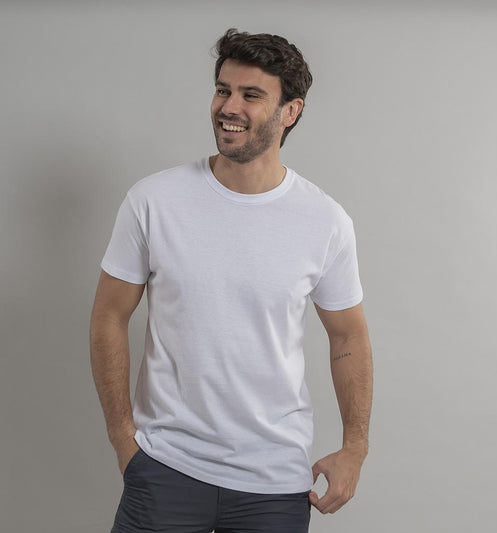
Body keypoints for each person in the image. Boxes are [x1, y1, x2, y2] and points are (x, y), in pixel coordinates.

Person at [90, 28, 373, 533]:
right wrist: (123, 439)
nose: (229, 107)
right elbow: (109, 315)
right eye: (223, 90)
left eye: (251, 95)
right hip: (165, 467)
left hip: (275, 482)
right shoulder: (154, 201)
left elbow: (348, 335)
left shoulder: (325, 221)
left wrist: (355, 447)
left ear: (290, 111)